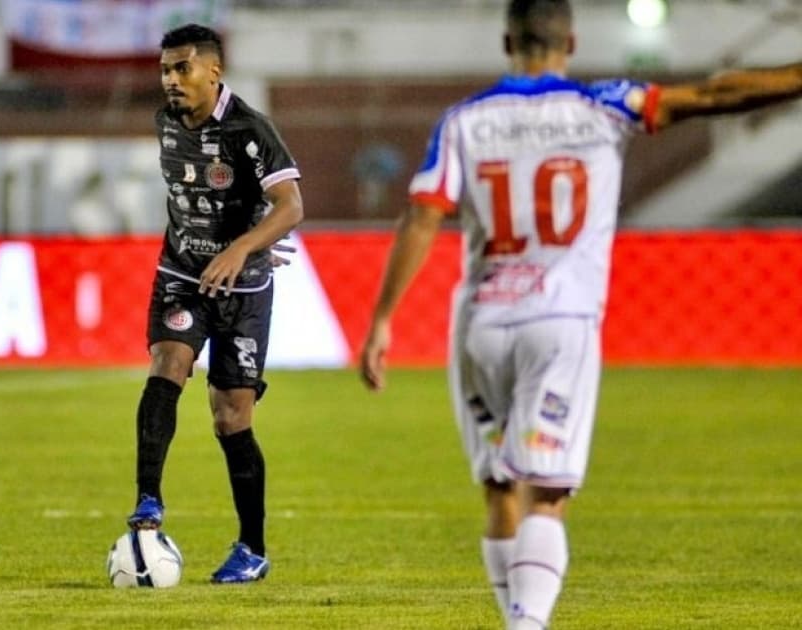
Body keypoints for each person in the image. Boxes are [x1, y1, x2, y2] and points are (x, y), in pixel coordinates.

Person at [359, 1, 802, 627]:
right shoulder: (606, 106)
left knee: (498, 484)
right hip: (559, 319)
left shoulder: (465, 120)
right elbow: (713, 94)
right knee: (548, 490)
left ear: (506, 39)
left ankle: (516, 619)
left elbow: (425, 212)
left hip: (481, 321)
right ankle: (527, 624)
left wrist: (382, 320)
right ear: (571, 39)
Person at [126, 23, 303, 584]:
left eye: (182, 68)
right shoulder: (164, 123)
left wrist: (246, 249)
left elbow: (290, 204)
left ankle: (252, 548)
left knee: (232, 417)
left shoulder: (250, 130)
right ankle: (148, 500)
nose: (170, 81)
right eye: (164, 70)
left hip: (244, 290)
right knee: (169, 361)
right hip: (181, 274)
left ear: (213, 70)